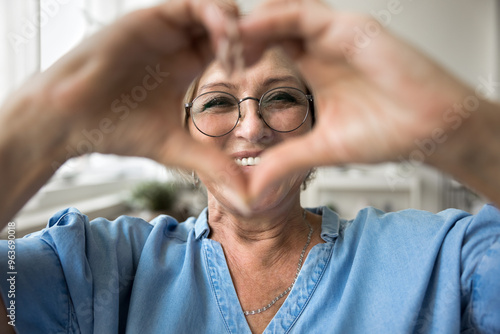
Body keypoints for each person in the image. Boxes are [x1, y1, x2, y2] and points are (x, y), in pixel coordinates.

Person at [1, 0, 499, 333]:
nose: (252, 127)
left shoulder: (437, 258)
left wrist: (468, 135)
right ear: (182, 130)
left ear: (315, 124)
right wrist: (48, 124)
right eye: (218, 103)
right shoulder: (95, 269)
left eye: (280, 97)